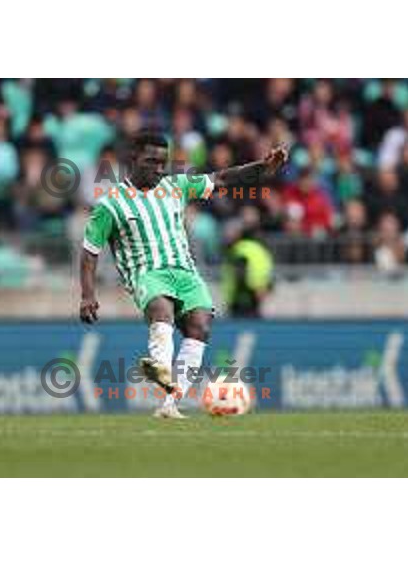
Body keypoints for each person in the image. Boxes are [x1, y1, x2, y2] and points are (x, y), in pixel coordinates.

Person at [79, 130, 287, 419]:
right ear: (133, 158)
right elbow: (90, 251)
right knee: (161, 310)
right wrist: (88, 294)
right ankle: (160, 367)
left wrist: (263, 168)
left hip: (186, 272)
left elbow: (222, 178)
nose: (159, 168)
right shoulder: (110, 204)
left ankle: (169, 404)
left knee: (200, 326)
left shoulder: (175, 186)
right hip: (147, 273)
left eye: (163, 162)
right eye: (152, 161)